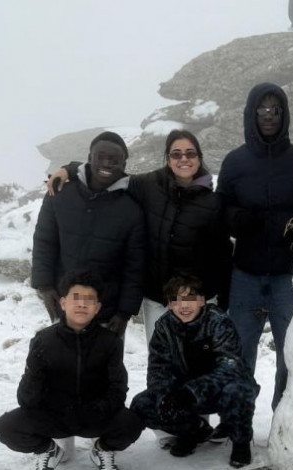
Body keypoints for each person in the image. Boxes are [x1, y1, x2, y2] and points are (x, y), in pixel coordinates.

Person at [47, 130, 233, 344]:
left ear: (199, 158)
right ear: (168, 158)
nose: (184, 159)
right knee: (160, 362)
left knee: (198, 364)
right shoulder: (149, 185)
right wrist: (70, 168)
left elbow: (222, 255)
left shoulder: (212, 202)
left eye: (190, 154)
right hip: (157, 297)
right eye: (176, 154)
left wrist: (221, 301)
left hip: (197, 299)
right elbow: (108, 171)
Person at [216, 83, 293, 413]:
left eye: (276, 110)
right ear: (250, 114)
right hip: (245, 275)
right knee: (239, 354)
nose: (269, 116)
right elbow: (220, 207)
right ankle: (237, 421)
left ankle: (281, 422)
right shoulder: (234, 162)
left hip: (288, 276)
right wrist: (236, 219)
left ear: (285, 115)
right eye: (262, 110)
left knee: (290, 356)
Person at [0, 270, 144, 470]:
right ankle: (48, 450)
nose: (82, 304)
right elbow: (26, 400)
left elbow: (118, 388)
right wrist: (34, 373)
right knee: (7, 427)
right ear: (63, 303)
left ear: (97, 308)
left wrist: (96, 409)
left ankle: (103, 449)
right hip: (54, 416)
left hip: (93, 416)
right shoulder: (43, 341)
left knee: (131, 423)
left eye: (89, 300)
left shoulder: (110, 342)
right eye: (76, 298)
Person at [130, 275, 259, 468]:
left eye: (190, 299)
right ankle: (192, 431)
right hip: (183, 393)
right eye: (176, 300)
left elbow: (230, 367)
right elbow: (158, 370)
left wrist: (192, 391)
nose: (184, 306)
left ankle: (241, 443)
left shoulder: (219, 322)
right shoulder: (164, 327)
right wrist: (166, 396)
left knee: (239, 389)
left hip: (219, 391)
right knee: (142, 404)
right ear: (169, 304)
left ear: (201, 300)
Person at [33, 131, 145, 336]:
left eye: (114, 159)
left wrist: (125, 313)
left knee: (106, 367)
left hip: (107, 311)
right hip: (64, 302)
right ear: (90, 158)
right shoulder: (59, 193)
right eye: (100, 157)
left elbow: (134, 266)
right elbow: (44, 241)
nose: (107, 163)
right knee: (61, 362)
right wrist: (44, 284)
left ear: (124, 164)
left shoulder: (132, 210)